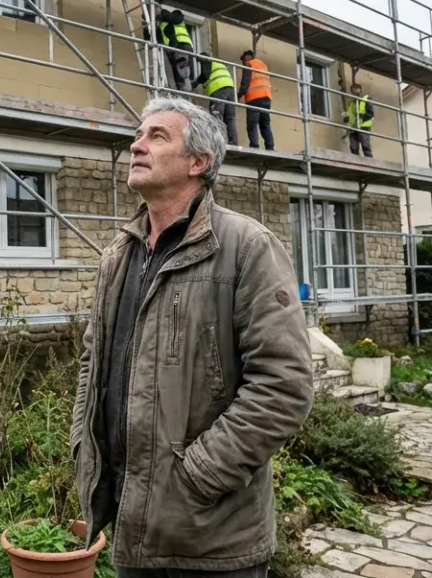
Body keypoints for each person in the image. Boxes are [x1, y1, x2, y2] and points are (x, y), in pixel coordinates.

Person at [71, 97, 314, 577]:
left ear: (199, 162)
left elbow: (283, 386)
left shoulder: (247, 248)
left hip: (213, 540)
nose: (137, 146)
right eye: (139, 135)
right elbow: (91, 360)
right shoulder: (119, 255)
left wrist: (198, 475)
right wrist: (84, 442)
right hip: (132, 525)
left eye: (157, 137)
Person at [193, 52, 238, 145]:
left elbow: (205, 74)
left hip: (218, 88)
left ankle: (217, 143)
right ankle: (234, 143)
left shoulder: (207, 60)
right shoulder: (219, 63)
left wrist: (196, 82)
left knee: (216, 117)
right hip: (230, 89)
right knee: (230, 118)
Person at [239, 49, 274, 150]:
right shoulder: (263, 66)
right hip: (267, 98)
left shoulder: (249, 64)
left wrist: (239, 95)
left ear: (246, 58)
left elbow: (245, 82)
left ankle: (254, 146)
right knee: (265, 124)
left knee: (252, 124)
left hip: (254, 98)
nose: (243, 63)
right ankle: (270, 147)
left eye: (243, 61)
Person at [157, 9, 195, 92]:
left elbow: (175, 18)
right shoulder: (161, 24)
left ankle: (184, 91)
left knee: (182, 73)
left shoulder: (175, 17)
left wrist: (162, 13)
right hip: (178, 49)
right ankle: (184, 90)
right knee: (181, 73)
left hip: (181, 46)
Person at [343, 82, 374, 157]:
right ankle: (356, 162)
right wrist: (347, 118)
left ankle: (369, 162)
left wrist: (361, 116)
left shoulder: (366, 99)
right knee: (353, 147)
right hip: (353, 128)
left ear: (360, 90)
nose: (354, 91)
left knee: (365, 146)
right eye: (353, 90)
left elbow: (370, 113)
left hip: (363, 126)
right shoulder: (352, 103)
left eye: (356, 89)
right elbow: (351, 115)